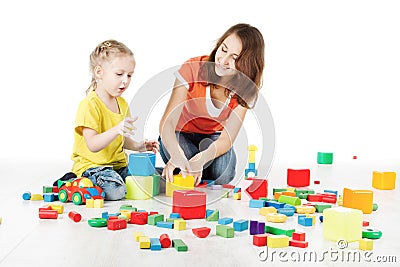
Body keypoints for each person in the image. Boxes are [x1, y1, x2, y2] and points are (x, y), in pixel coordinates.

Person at [159, 23, 265, 186]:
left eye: (235, 58)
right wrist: (177, 154)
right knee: (186, 163)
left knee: (224, 173)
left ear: (247, 65)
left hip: (213, 138)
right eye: (223, 49)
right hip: (180, 134)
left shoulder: (246, 88)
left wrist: (202, 159)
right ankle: (181, 170)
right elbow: (168, 123)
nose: (223, 60)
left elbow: (226, 140)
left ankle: (180, 172)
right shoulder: (192, 68)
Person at [69, 39, 159, 200]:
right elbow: (93, 145)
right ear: (99, 72)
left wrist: (139, 146)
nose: (125, 80)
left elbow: (120, 141)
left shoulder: (122, 104)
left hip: (118, 166)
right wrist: (116, 129)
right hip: (93, 167)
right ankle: (76, 181)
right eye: (119, 74)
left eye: (129, 75)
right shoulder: (89, 105)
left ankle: (119, 181)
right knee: (116, 191)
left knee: (152, 177)